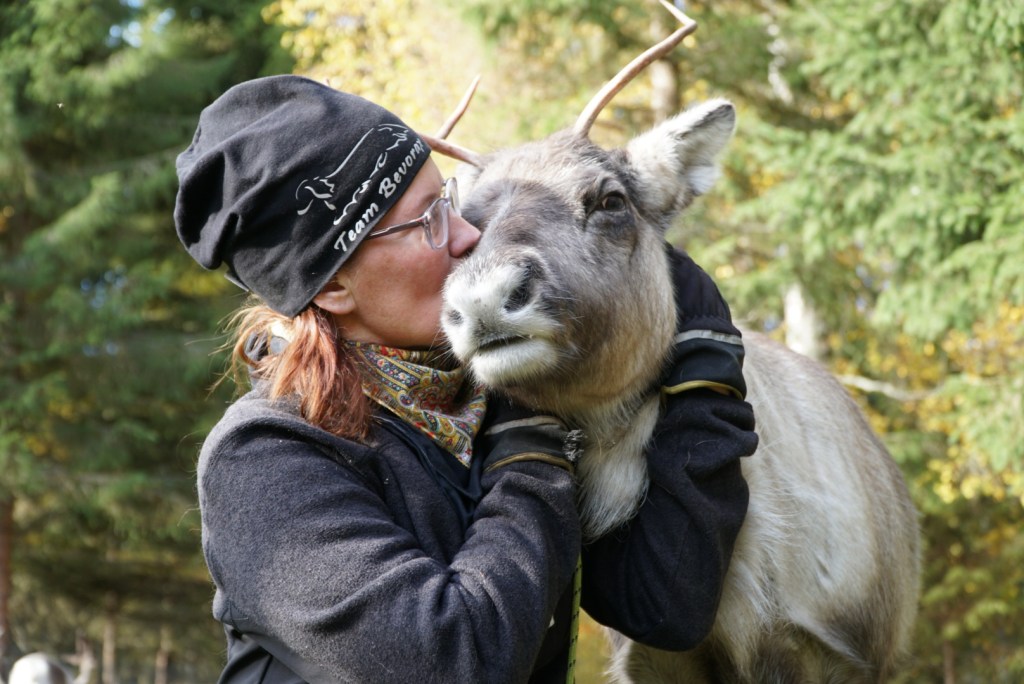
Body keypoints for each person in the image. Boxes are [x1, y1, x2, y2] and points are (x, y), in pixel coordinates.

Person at [174, 74, 757, 683]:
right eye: (427, 222)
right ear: (335, 287)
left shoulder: (476, 400)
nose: (470, 236)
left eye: (449, 202)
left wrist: (703, 378)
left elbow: (668, 606)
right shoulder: (264, 460)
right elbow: (454, 662)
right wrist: (529, 452)